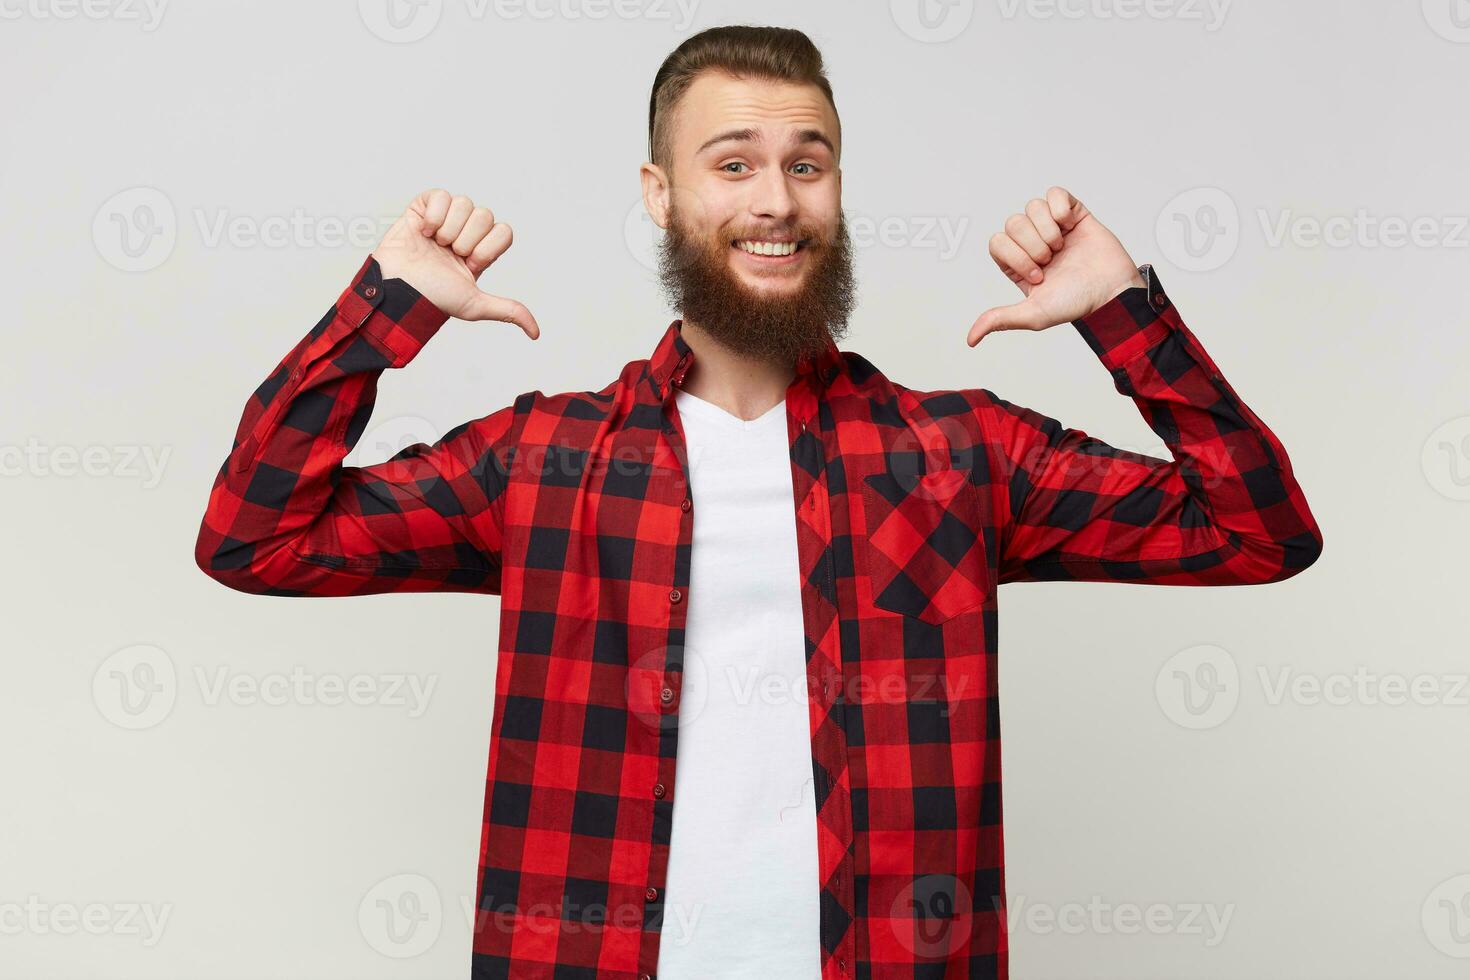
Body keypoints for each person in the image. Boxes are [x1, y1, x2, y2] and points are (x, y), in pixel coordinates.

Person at [193, 24, 1322, 980]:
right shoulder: (547, 459)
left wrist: (1120, 309)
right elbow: (255, 535)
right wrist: (386, 309)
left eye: (808, 162)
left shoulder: (954, 451)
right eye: (731, 163)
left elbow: (1258, 532)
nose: (775, 199)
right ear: (661, 192)